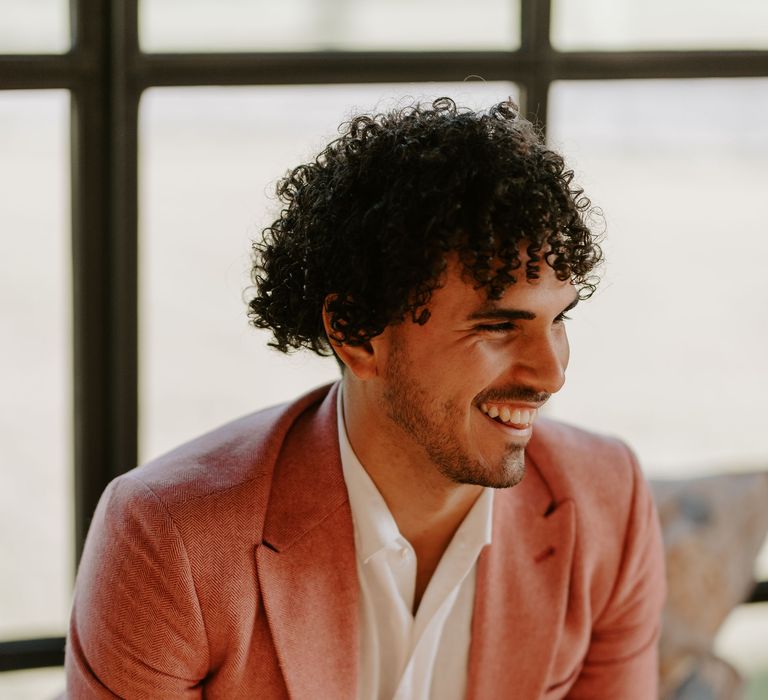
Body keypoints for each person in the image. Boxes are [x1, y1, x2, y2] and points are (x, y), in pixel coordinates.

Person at [64, 98, 665, 699]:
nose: (551, 373)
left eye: (558, 319)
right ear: (355, 333)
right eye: (498, 326)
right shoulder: (171, 541)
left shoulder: (606, 502)